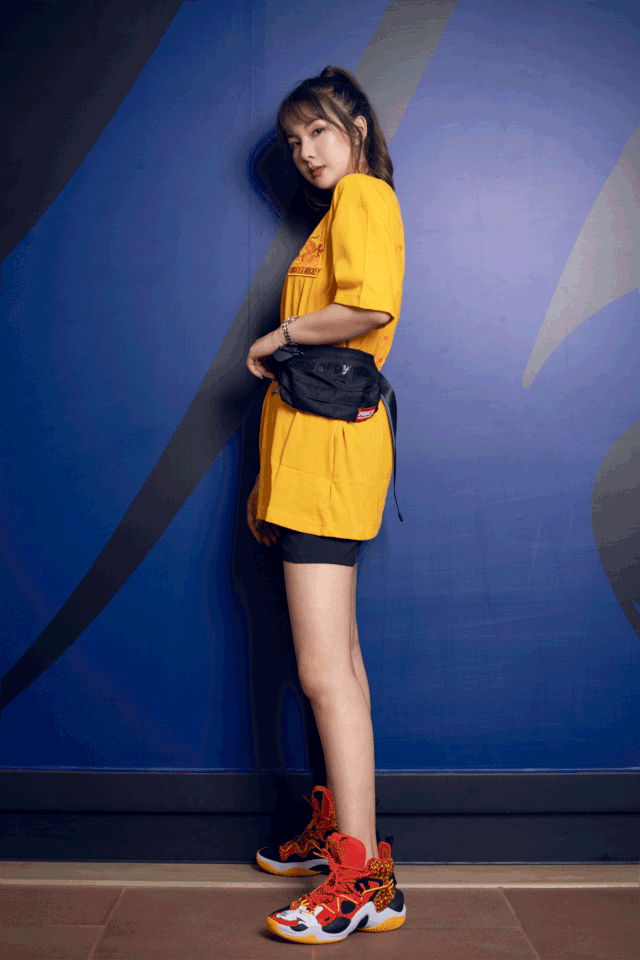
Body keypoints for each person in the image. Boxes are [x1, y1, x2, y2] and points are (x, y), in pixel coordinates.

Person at [245, 65, 406, 945]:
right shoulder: (336, 211)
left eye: (318, 131)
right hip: (313, 457)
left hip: (330, 458)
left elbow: (368, 307)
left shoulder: (363, 197)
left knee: (321, 670)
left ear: (356, 128)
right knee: (338, 659)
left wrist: (278, 336)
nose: (305, 150)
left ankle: (360, 877)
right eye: (293, 140)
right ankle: (354, 845)